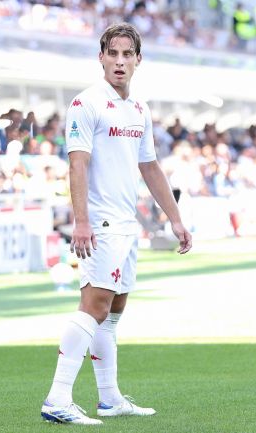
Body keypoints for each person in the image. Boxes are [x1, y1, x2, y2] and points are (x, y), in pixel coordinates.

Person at [40, 23, 192, 426]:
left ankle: (109, 398)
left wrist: (175, 218)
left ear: (138, 60)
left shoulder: (139, 109)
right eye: (113, 53)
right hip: (101, 222)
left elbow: (150, 167)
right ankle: (57, 398)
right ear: (101, 57)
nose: (120, 61)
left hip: (127, 224)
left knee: (113, 312)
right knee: (94, 306)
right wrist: (82, 221)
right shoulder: (86, 103)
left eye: (127, 54)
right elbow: (77, 164)